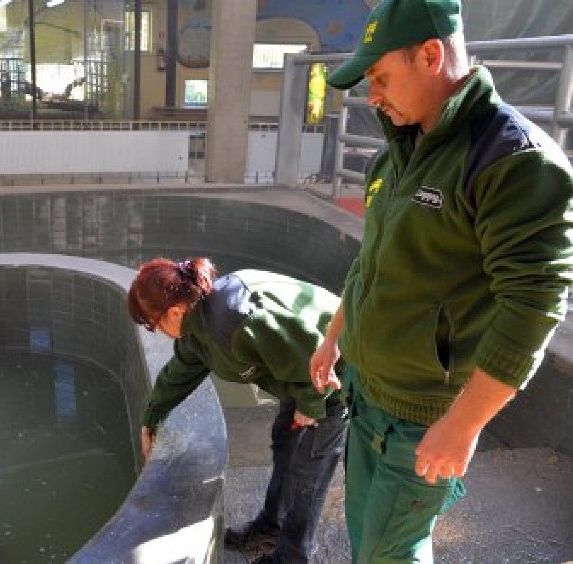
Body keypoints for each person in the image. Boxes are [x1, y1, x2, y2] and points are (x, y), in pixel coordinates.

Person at [310, 0, 573, 562]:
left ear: (430, 55)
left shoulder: (512, 159)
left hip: (423, 416)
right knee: (371, 547)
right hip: (367, 394)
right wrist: (335, 338)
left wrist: (464, 424)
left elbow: (535, 301)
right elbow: (370, 263)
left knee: (389, 553)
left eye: (380, 78)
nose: (371, 96)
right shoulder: (399, 154)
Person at [128, 257, 347, 564]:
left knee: (308, 467)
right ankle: (272, 527)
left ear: (174, 311)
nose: (156, 332)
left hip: (332, 376)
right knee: (285, 442)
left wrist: (311, 405)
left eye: (154, 324)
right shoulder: (197, 323)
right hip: (300, 374)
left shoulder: (237, 320)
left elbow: (317, 353)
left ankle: (293, 557)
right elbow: (181, 371)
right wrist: (150, 417)